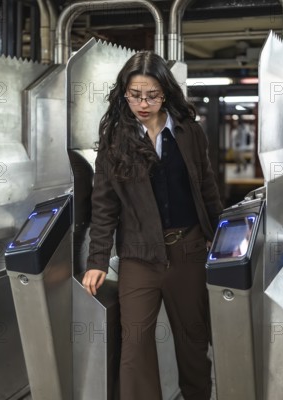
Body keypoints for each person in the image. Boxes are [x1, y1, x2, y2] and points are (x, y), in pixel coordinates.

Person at [82, 51, 223, 400]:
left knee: (193, 343)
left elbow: (206, 187)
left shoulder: (189, 133)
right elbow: (103, 204)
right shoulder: (115, 141)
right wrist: (98, 260)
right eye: (135, 95)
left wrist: (221, 237)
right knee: (135, 348)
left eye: (153, 95)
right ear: (123, 93)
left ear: (167, 92)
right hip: (139, 256)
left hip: (188, 250)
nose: (143, 104)